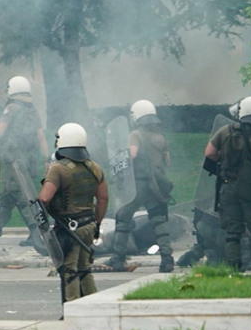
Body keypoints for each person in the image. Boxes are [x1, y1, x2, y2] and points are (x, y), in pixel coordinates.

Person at [38, 123, 109, 302]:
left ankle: (71, 309)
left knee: (69, 270)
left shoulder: (58, 169)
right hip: (88, 226)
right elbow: (103, 198)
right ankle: (92, 306)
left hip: (69, 229)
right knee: (84, 268)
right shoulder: (95, 168)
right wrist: (97, 224)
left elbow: (45, 198)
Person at [105, 100, 175, 272]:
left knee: (123, 218)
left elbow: (132, 155)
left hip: (138, 185)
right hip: (156, 186)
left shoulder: (135, 134)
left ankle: (118, 258)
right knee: (159, 221)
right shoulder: (161, 137)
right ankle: (167, 258)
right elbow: (167, 162)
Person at [203, 96, 251, 271]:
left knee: (233, 232)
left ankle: (234, 268)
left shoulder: (226, 131)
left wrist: (224, 162)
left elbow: (209, 153)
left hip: (228, 186)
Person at [0, 76, 50, 248]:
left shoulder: (11, 108)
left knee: (19, 196)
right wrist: (47, 158)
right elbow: (41, 137)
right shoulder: (32, 111)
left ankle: (37, 233)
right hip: (28, 161)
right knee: (6, 197)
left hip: (12, 161)